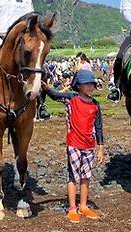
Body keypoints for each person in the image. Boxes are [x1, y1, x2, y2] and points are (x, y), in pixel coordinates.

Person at [45, 69, 105, 223]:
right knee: (73, 177)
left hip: (89, 146)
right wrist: (44, 87)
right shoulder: (71, 99)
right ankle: (72, 208)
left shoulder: (95, 105)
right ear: (78, 86)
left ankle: (83, 206)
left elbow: (99, 127)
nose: (90, 87)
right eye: (86, 84)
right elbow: (55, 95)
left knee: (86, 177)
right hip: (74, 144)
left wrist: (101, 148)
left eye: (91, 84)